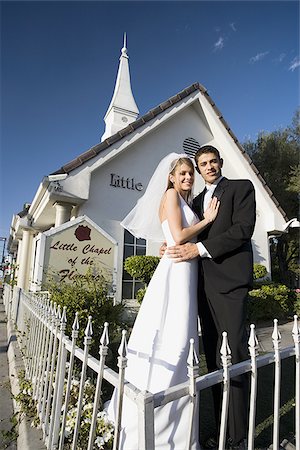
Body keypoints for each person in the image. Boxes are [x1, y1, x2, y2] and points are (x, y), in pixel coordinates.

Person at [107, 152, 219, 450]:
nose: (187, 177)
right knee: (175, 337)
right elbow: (180, 235)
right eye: (182, 173)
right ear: (171, 176)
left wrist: (168, 243)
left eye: (190, 174)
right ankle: (158, 414)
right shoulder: (171, 195)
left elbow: (170, 235)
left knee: (180, 338)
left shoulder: (184, 200)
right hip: (178, 270)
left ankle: (175, 416)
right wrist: (207, 221)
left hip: (183, 268)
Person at [167, 145, 256, 450]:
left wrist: (200, 249)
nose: (208, 167)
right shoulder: (196, 200)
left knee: (234, 354)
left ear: (220, 163)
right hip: (203, 287)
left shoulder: (241, 188)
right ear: (198, 168)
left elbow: (242, 230)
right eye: (202, 163)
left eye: (212, 161)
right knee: (215, 360)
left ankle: (239, 435)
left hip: (230, 285)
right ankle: (222, 430)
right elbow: (183, 233)